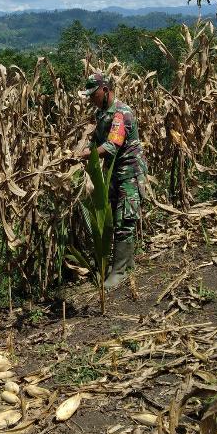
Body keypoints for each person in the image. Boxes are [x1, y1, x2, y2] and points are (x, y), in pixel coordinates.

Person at [77, 72, 147, 289]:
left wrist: (84, 155)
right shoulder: (101, 114)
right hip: (113, 173)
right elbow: (96, 142)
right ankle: (126, 264)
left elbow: (111, 146)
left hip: (129, 172)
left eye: (93, 94)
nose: (91, 99)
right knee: (115, 218)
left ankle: (119, 272)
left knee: (124, 220)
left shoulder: (121, 113)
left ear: (105, 90)